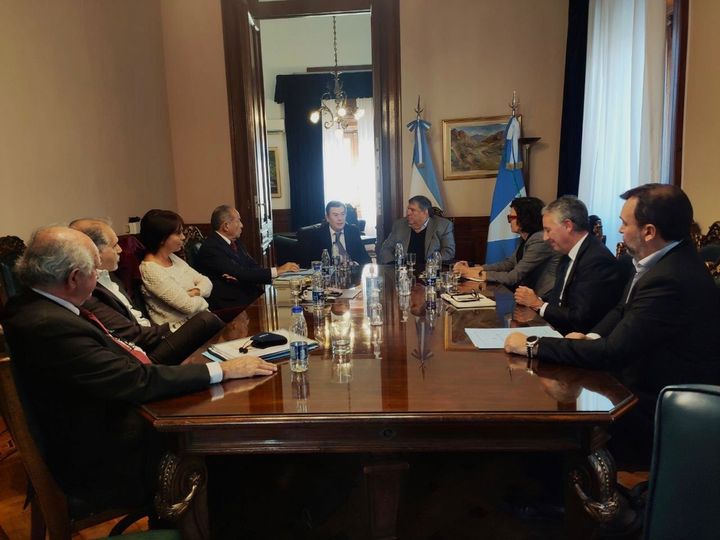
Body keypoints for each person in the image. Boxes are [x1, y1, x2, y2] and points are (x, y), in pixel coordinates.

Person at [0, 227, 276, 511]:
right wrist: (223, 370)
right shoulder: (50, 325)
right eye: (95, 270)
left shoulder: (33, 305)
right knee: (238, 446)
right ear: (73, 278)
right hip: (110, 461)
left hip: (112, 422)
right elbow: (135, 380)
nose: (98, 277)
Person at [505, 184, 720, 465]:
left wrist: (533, 345)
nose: (620, 230)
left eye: (625, 223)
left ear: (649, 231)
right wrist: (591, 337)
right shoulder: (658, 262)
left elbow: (613, 352)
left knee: (545, 431)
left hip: (657, 410)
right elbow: (621, 309)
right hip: (635, 385)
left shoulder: (670, 278)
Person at [70, 219, 224, 365]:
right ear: (94, 251)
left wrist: (196, 292)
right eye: (114, 245)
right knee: (206, 319)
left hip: (153, 332)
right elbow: (131, 334)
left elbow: (206, 282)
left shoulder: (109, 274)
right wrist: (174, 328)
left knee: (212, 332)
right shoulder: (88, 291)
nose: (120, 249)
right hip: (144, 352)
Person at [513, 196, 624, 335]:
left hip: (580, 339)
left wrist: (538, 305)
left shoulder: (596, 260)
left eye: (548, 230)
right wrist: (536, 301)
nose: (545, 238)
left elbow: (580, 318)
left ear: (568, 226)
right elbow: (559, 301)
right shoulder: (568, 253)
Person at [195, 205, 300, 310]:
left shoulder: (235, 242)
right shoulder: (211, 247)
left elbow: (252, 267)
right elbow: (239, 272)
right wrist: (277, 270)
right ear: (226, 226)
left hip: (248, 293)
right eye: (238, 221)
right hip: (230, 304)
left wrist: (278, 275)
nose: (242, 225)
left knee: (289, 300)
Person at [453, 197, 559, 297]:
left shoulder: (539, 240)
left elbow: (513, 277)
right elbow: (509, 264)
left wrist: (475, 273)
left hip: (543, 299)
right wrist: (475, 268)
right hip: (527, 294)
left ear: (525, 218)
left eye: (511, 218)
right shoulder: (526, 237)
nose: (509, 222)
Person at [139, 209, 213, 328]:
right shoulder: (150, 270)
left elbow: (206, 282)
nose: (183, 237)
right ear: (162, 238)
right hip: (180, 330)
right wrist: (203, 301)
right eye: (178, 233)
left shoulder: (172, 257)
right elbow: (188, 307)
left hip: (201, 320)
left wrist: (195, 292)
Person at [379, 195, 455, 265]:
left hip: (429, 270)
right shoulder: (400, 225)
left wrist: (431, 265)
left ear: (425, 212)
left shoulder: (443, 225)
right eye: (408, 209)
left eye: (412, 210)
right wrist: (395, 266)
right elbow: (386, 250)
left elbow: (448, 251)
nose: (408, 213)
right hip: (403, 270)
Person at [297, 201, 371, 267]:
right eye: (336, 215)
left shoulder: (353, 231)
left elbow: (366, 259)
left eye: (342, 214)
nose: (340, 218)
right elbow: (309, 263)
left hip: (351, 273)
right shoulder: (317, 234)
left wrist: (355, 264)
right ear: (327, 217)